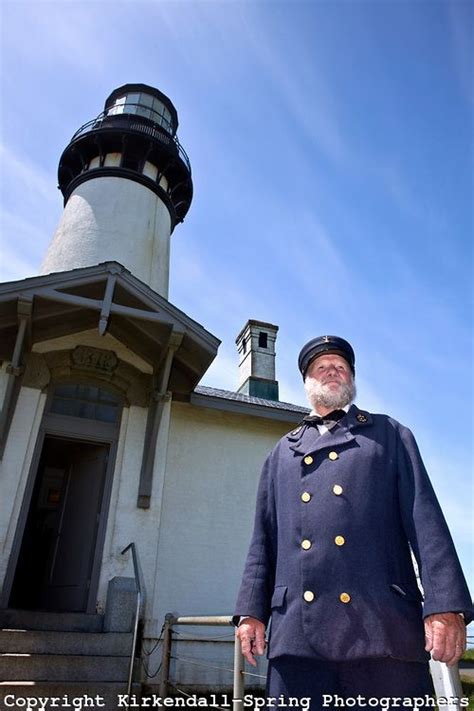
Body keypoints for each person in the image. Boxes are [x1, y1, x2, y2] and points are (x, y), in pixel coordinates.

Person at [234, 335, 472, 710]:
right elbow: (262, 543)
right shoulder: (281, 453)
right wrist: (250, 613)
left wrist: (445, 605)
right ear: (308, 382)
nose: (333, 372)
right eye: (322, 367)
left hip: (382, 632)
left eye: (341, 367)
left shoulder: (389, 434)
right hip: (297, 637)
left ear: (352, 380)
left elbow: (425, 522)